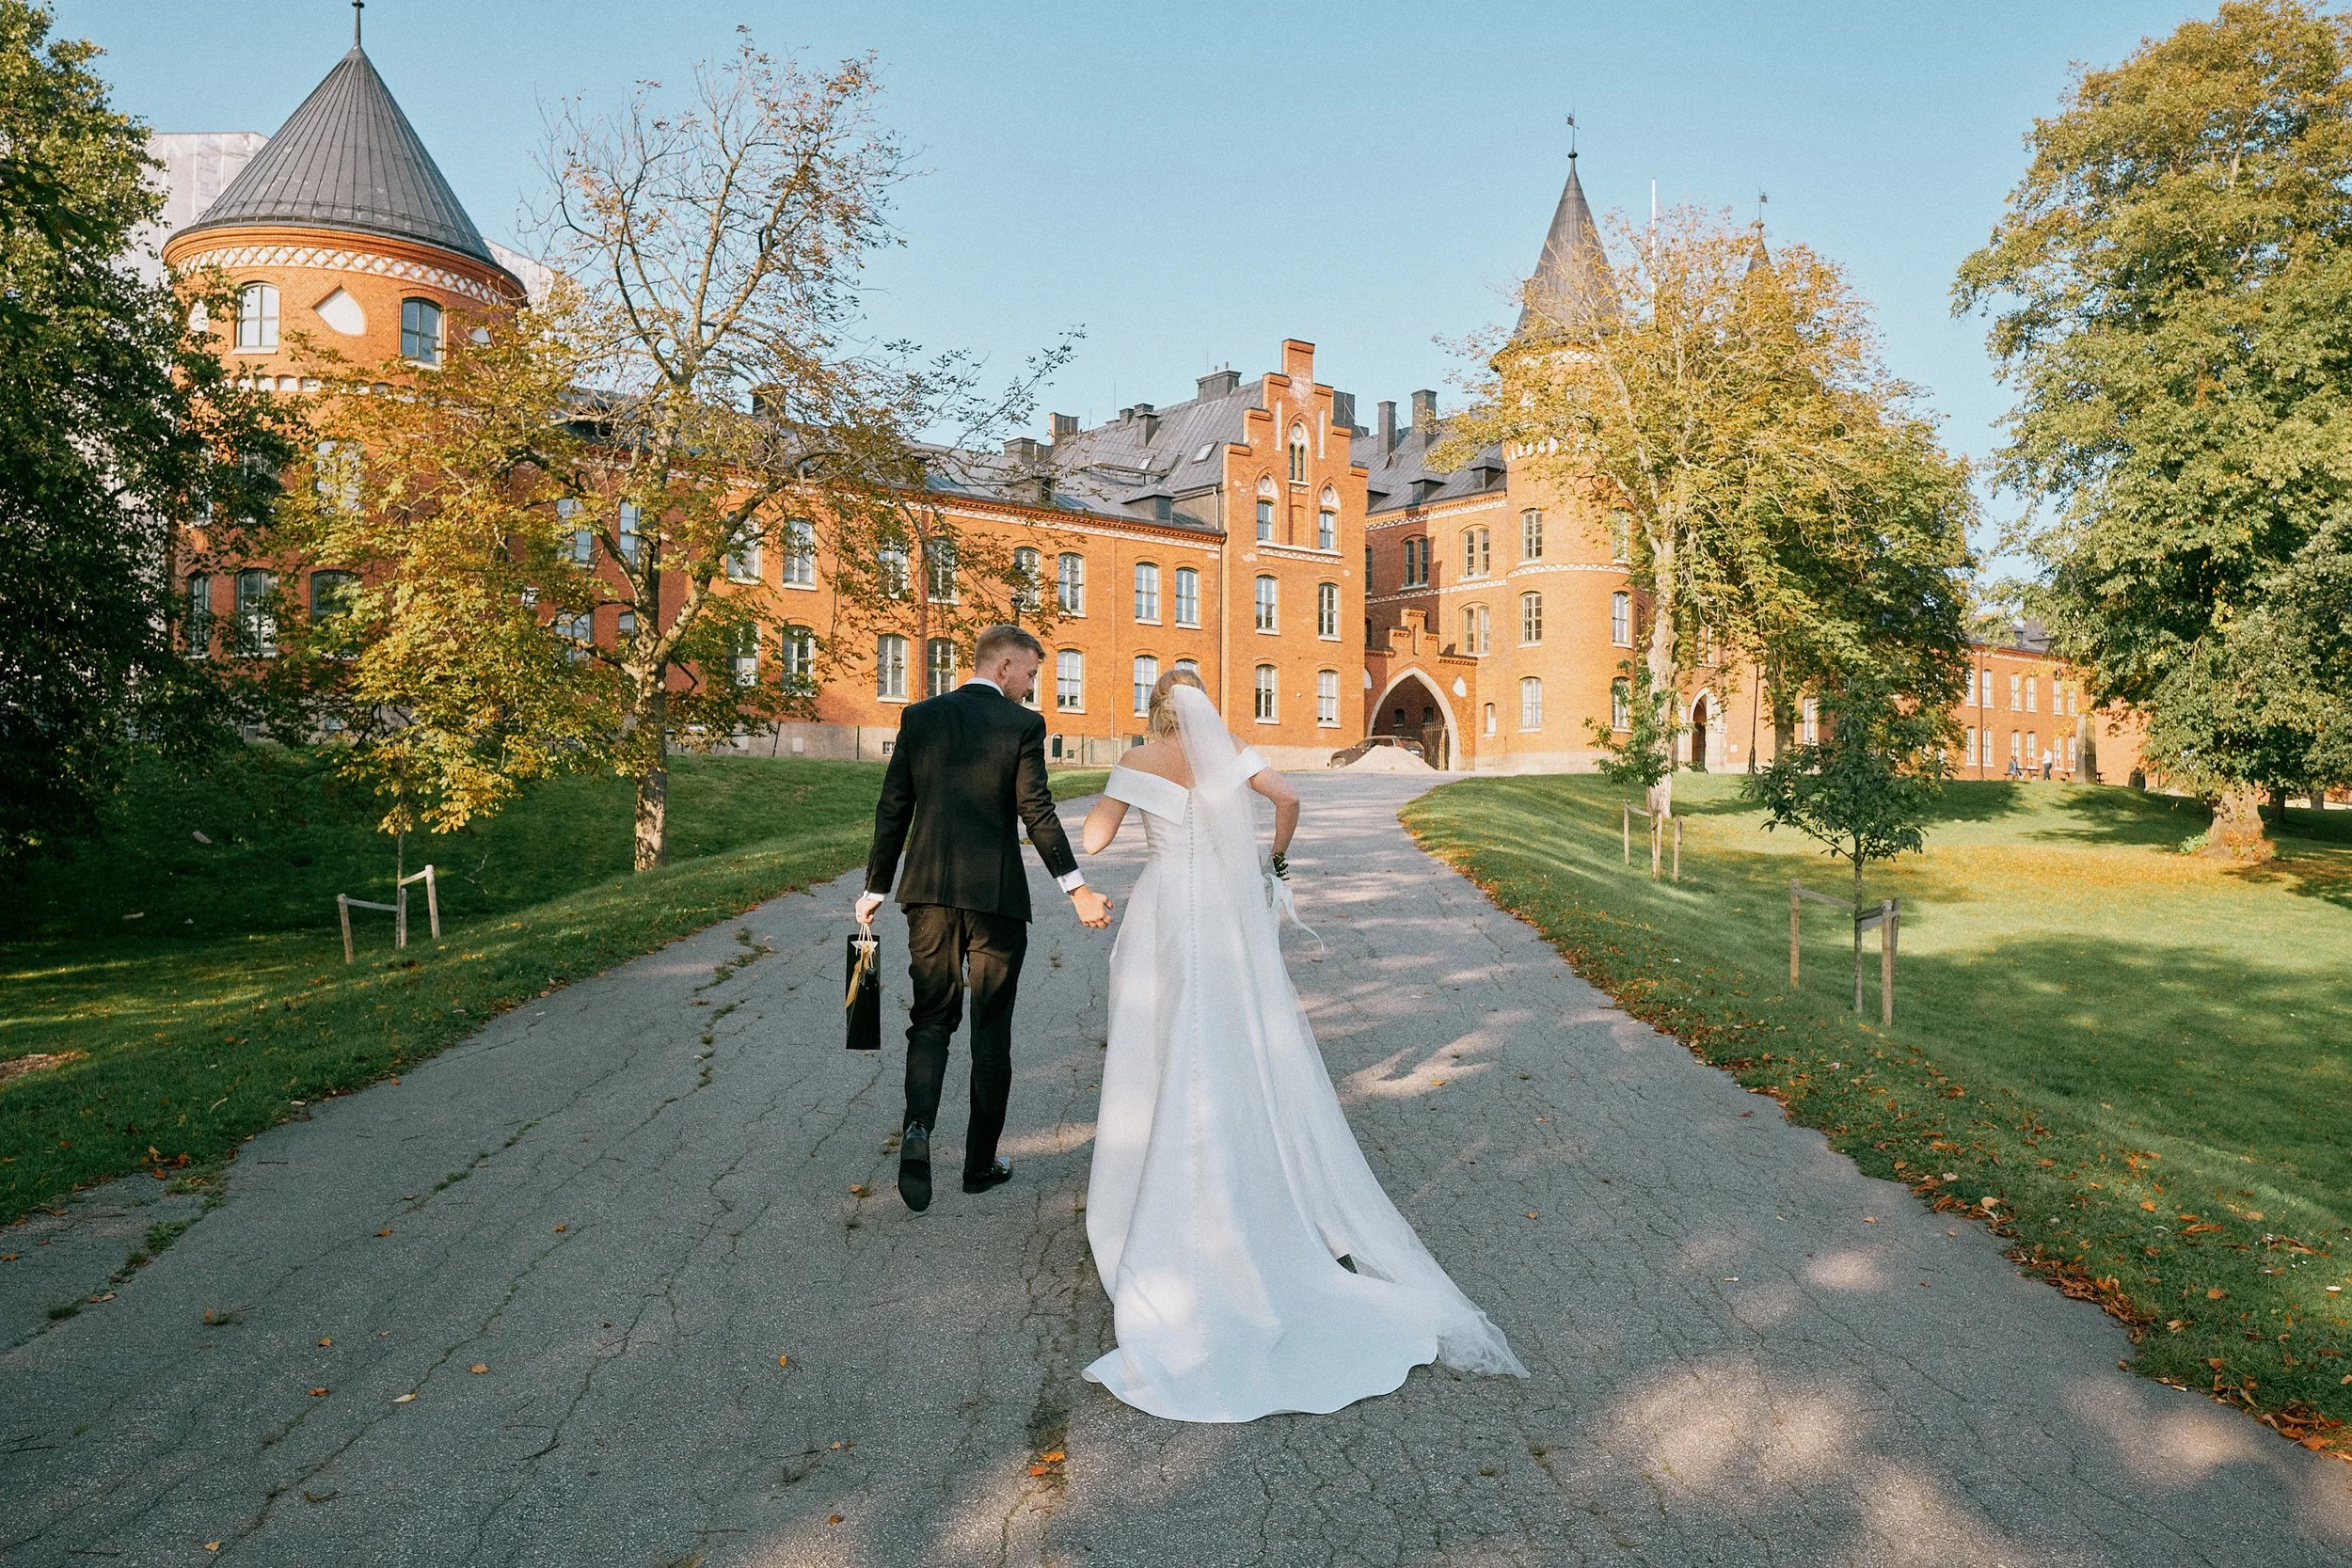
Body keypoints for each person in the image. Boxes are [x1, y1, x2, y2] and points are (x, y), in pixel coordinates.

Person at [1073, 670, 1524, 1421]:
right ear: (1206, 711)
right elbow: (1289, 798)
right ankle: (1244, 1196)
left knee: (1157, 1050)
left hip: (1162, 917)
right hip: (1221, 915)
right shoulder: (1230, 753)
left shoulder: (1137, 761)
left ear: (1156, 712)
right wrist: (1274, 862)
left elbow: (1094, 836)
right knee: (1228, 1044)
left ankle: (1151, 1196)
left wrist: (1110, 806)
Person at [856, 625, 1113, 1213]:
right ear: (1002, 667)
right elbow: (1037, 813)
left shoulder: (918, 717)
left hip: (926, 897)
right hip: (995, 901)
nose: (1032, 685)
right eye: (1030, 672)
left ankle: (918, 1130)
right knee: (991, 1034)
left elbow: (893, 808)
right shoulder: (1021, 726)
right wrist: (1076, 889)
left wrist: (875, 887)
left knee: (930, 1021)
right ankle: (978, 1167)